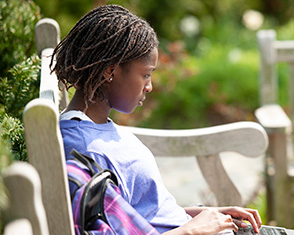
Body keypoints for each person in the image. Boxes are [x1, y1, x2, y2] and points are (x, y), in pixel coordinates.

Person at [51, 4, 261, 235]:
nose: (149, 86)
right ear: (110, 72)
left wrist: (206, 214)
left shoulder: (97, 130)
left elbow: (144, 212)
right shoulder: (87, 151)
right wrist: (193, 230)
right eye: (146, 75)